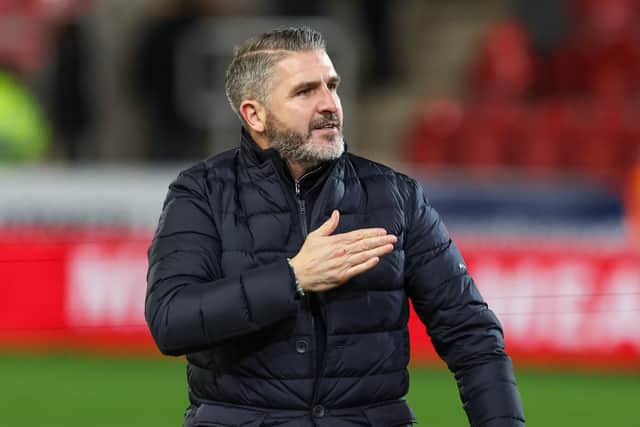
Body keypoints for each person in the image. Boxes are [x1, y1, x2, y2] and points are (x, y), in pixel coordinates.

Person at [145, 27, 525, 427]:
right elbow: (171, 321)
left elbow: (473, 338)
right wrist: (292, 277)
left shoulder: (395, 196)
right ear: (254, 114)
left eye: (332, 86)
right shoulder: (201, 193)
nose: (329, 104)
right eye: (305, 91)